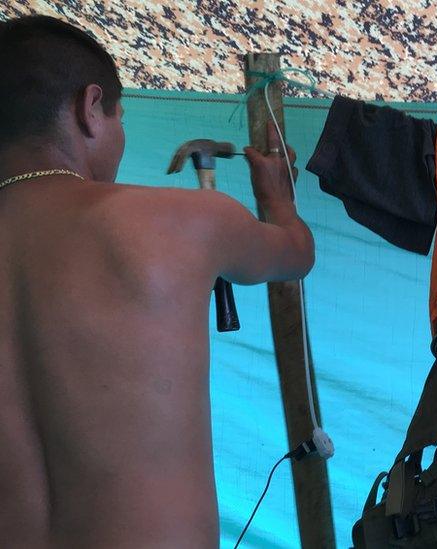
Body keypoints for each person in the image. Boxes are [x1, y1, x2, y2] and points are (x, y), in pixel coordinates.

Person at [0, 15, 314, 547]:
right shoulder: (182, 220)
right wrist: (279, 200)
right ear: (90, 108)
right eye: (121, 116)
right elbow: (296, 253)